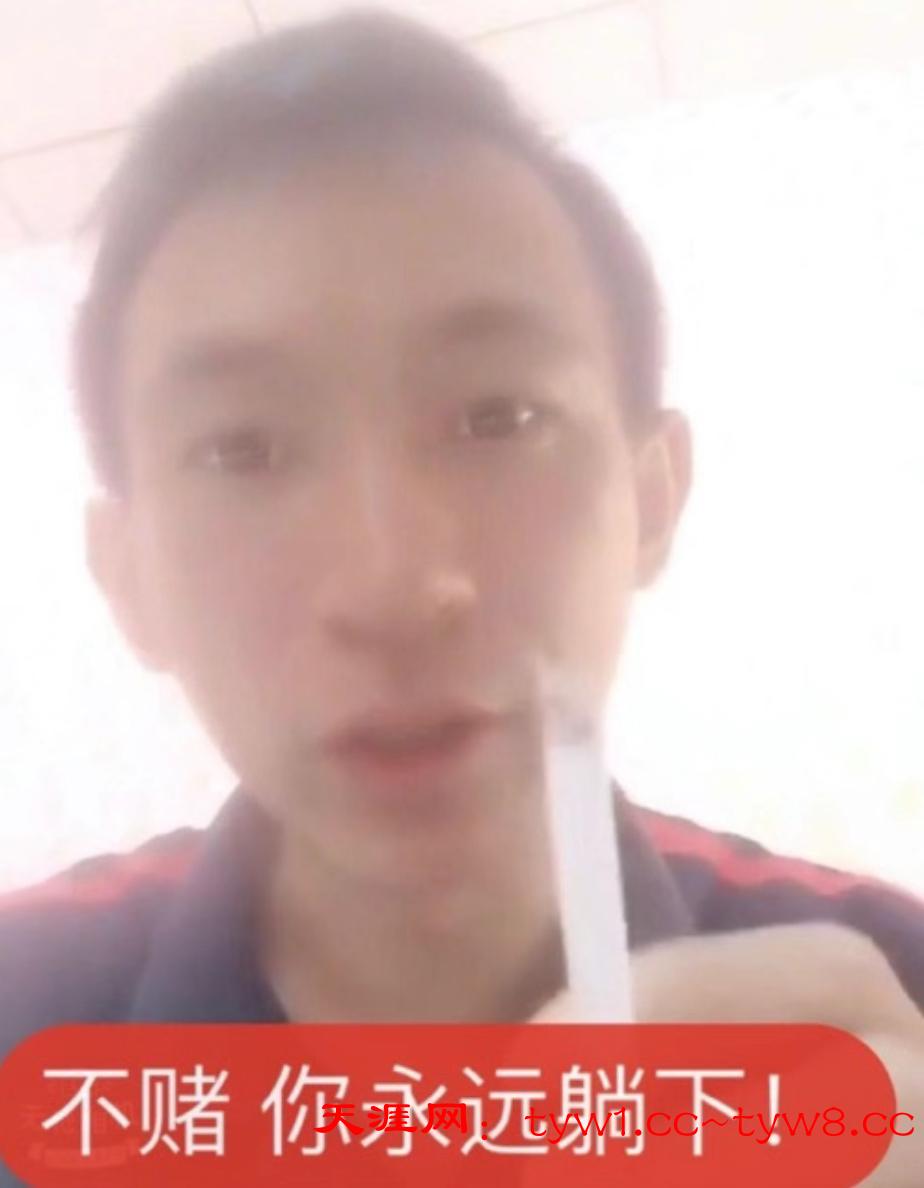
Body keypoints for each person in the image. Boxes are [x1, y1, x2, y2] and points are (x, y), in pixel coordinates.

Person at [1, 11, 922, 1183]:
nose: (395, 587)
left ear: (651, 497)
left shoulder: (889, 1002)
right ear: (128, 576)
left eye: (500, 416)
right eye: (240, 449)